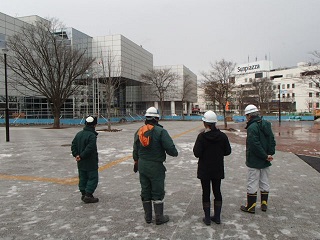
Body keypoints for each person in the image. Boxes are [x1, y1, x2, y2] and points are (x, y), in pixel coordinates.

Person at [133, 107, 178, 225]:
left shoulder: (139, 131)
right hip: (156, 166)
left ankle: (148, 217)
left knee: (145, 189)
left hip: (142, 164)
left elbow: (135, 150)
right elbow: (171, 149)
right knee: (157, 190)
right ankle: (159, 217)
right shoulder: (161, 132)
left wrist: (136, 162)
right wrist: (174, 153)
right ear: (157, 118)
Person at [193, 110, 232, 226]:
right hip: (217, 168)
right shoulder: (222, 136)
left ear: (205, 123)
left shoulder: (201, 137)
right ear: (215, 123)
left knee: (206, 192)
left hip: (204, 169)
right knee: (217, 191)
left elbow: (197, 153)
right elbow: (228, 151)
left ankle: (207, 218)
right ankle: (217, 217)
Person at [240, 104, 276, 213]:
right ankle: (264, 203)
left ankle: (251, 206)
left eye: (246, 115)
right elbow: (272, 140)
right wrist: (269, 154)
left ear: (249, 115)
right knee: (265, 181)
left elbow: (254, 145)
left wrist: (264, 155)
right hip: (266, 159)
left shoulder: (252, 127)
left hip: (255, 160)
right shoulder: (266, 124)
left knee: (252, 182)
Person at [71, 116, 99, 204]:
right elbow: (90, 148)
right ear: (94, 125)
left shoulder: (79, 134)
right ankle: (88, 194)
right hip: (90, 161)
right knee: (93, 177)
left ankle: (83, 193)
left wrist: (76, 155)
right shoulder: (92, 135)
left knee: (82, 177)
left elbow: (73, 145)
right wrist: (82, 156)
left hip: (80, 161)